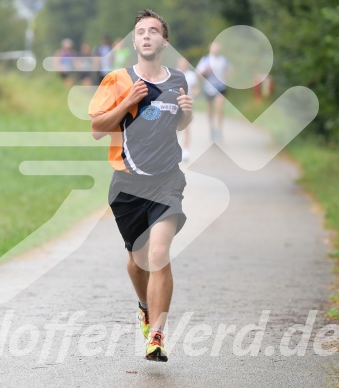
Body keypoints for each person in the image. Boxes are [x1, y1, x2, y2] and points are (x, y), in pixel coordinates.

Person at [88, 9, 193, 362]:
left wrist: (187, 114)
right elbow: (98, 128)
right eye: (140, 32)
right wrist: (129, 101)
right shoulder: (118, 80)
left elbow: (176, 123)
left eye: (153, 31)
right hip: (128, 186)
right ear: (133, 41)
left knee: (159, 254)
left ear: (165, 41)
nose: (146, 36)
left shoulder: (178, 79)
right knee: (138, 262)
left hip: (167, 182)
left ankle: (158, 336)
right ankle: (144, 306)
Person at [196, 42, 229, 141]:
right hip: (209, 87)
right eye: (214, 48)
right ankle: (212, 129)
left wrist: (226, 75)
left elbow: (228, 71)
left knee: (220, 108)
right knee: (210, 110)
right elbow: (198, 74)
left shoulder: (223, 60)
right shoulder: (205, 59)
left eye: (217, 48)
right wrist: (207, 71)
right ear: (210, 49)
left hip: (220, 87)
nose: (216, 50)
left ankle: (219, 131)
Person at [176, 58, 199, 161]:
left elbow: (196, 87)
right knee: (174, 128)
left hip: (187, 104)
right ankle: (174, 149)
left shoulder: (191, 75)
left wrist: (195, 93)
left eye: (185, 63)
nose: (183, 65)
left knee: (186, 127)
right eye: (181, 63)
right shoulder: (174, 73)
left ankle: (186, 150)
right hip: (175, 103)